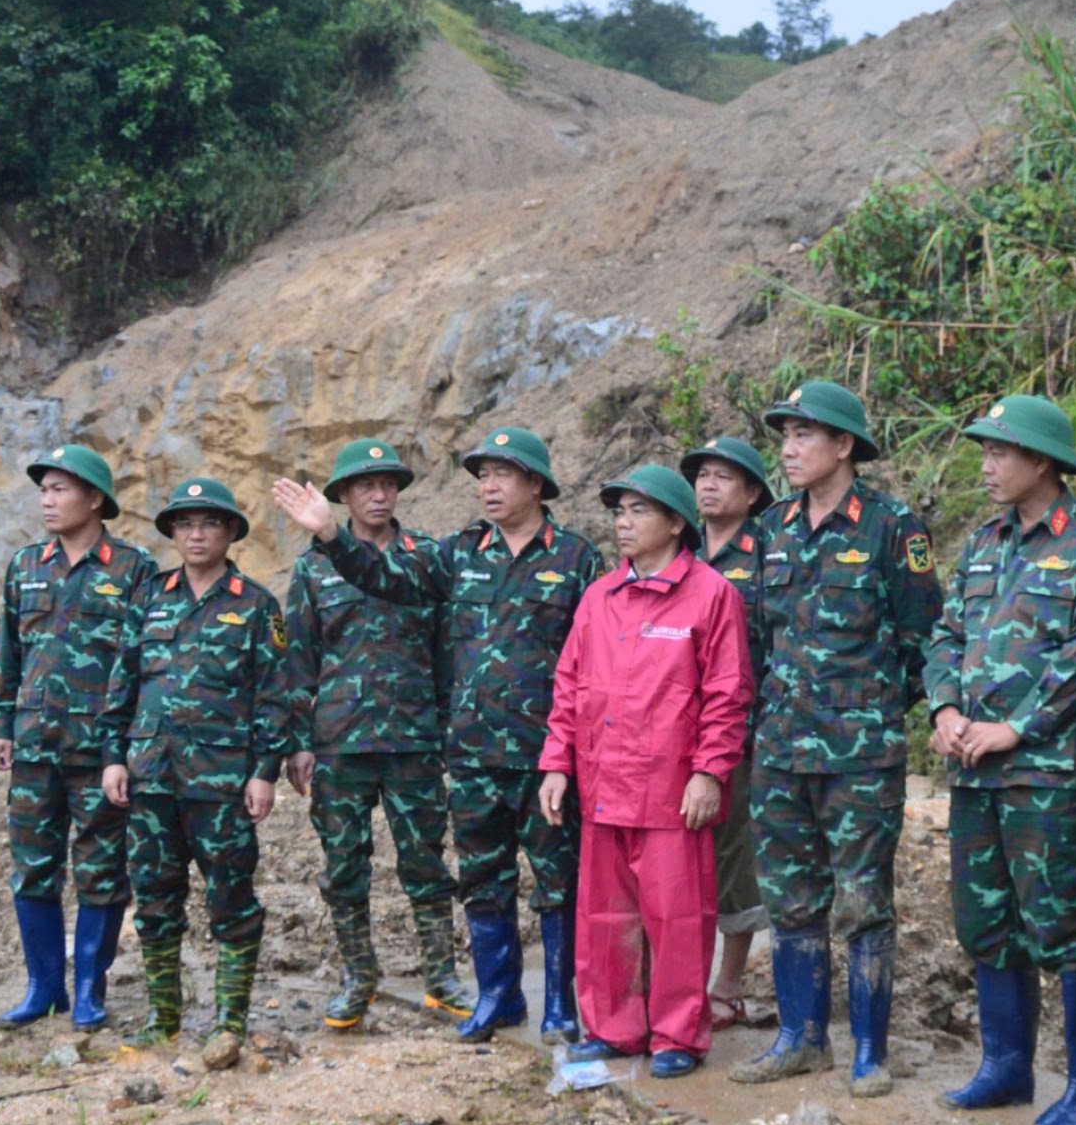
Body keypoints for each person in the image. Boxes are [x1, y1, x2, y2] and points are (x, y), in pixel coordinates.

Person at [273, 428, 604, 1044]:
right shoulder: (454, 554)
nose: (488, 485)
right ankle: (499, 999)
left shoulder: (577, 558)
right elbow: (384, 576)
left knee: (559, 880)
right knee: (482, 877)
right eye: (481, 475)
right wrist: (330, 535)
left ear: (535, 483)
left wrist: (580, 748)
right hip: (474, 753)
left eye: (502, 474)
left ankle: (561, 1005)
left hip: (546, 753)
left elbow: (595, 661)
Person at [924, 395, 1076, 1125]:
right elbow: (945, 635)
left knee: (1064, 923)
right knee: (985, 920)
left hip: (1048, 772)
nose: (986, 467)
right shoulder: (984, 541)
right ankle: (1005, 1067)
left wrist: (1016, 726)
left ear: (1041, 460)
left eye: (999, 453)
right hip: (973, 769)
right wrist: (945, 711)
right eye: (983, 453)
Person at [731, 380, 942, 1097]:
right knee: (791, 899)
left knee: (862, 901)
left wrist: (873, 712)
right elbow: (758, 636)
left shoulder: (893, 528)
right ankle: (801, 1038)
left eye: (803, 436)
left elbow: (923, 640)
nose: (787, 450)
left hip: (859, 755)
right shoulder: (774, 528)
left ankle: (869, 1053)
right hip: (782, 750)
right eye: (783, 436)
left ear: (843, 445)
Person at [538, 465, 754, 1077]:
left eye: (637, 511)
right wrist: (557, 764)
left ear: (675, 523)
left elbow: (727, 693)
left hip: (670, 791)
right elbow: (570, 687)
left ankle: (678, 1036)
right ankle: (613, 1028)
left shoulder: (711, 595)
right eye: (618, 511)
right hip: (604, 785)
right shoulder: (600, 597)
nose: (622, 523)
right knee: (605, 918)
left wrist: (709, 772)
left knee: (678, 919)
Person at [280, 439, 473, 1029]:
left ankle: (441, 975)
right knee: (344, 865)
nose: (379, 493)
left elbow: (449, 656)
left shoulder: (427, 557)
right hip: (340, 740)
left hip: (413, 738)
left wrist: (447, 733)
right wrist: (298, 740)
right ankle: (359, 975)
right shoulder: (313, 568)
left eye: (388, 483)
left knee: (426, 861)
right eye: (365, 484)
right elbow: (298, 661)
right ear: (342, 496)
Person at [101, 479, 297, 1047]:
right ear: (172, 533)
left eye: (208, 523)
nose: (195, 533)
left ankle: (229, 1022)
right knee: (156, 901)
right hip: (152, 779)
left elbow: (273, 696)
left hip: (222, 784)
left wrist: (265, 772)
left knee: (232, 901)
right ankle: (163, 1019)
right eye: (185, 524)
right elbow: (124, 685)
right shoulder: (149, 597)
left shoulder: (257, 604)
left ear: (231, 531)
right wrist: (114, 759)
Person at [0, 444, 160, 1031]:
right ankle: (43, 989)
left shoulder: (134, 570)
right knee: (33, 867)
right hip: (34, 746)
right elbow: (5, 650)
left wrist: (124, 751)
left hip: (99, 752)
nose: (47, 499)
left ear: (95, 499)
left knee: (102, 870)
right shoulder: (26, 565)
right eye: (43, 489)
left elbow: (145, 667)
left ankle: (89, 990)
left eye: (60, 489)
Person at [680, 435, 773, 1028]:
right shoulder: (676, 550)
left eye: (723, 477)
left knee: (736, 855)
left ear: (753, 492)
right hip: (672, 731)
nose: (708, 485)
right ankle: (677, 979)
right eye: (702, 475)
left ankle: (729, 984)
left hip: (742, 726)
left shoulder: (767, 552)